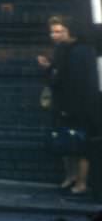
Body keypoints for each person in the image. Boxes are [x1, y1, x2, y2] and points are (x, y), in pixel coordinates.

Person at [38, 14, 100, 196]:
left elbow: (66, 79)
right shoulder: (67, 50)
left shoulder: (76, 51)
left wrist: (48, 69)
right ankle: (72, 179)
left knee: (79, 145)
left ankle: (80, 182)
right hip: (68, 104)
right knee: (68, 143)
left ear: (70, 31)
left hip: (77, 105)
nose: (54, 35)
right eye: (52, 32)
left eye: (59, 31)